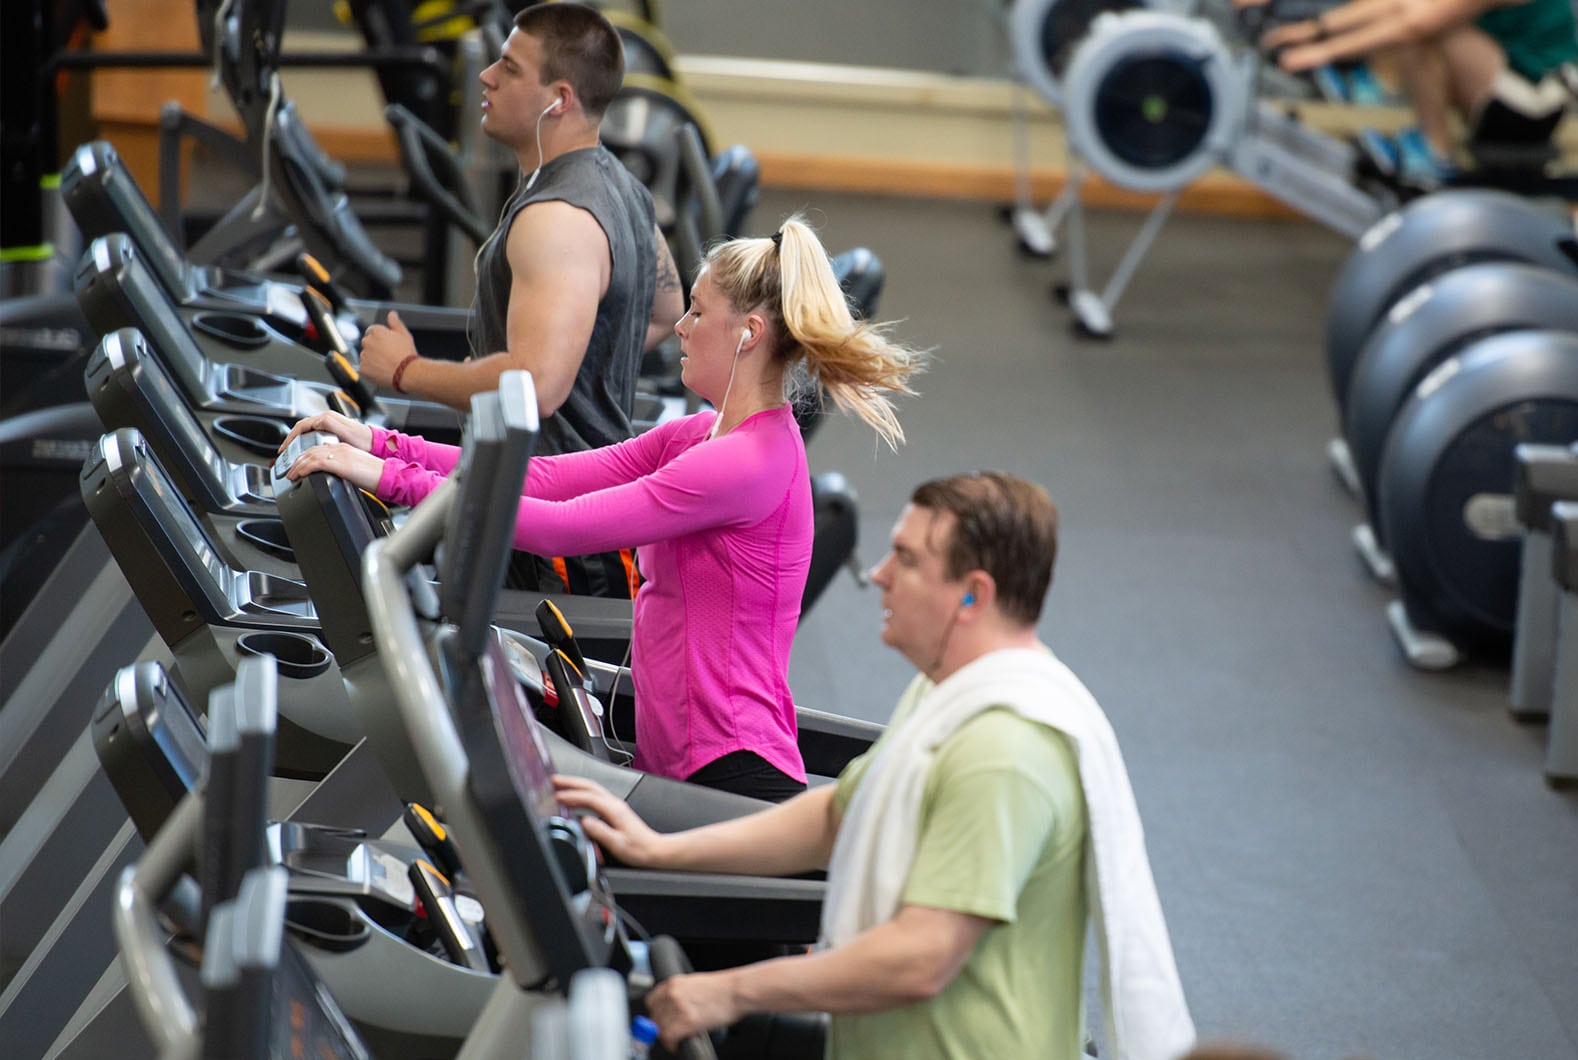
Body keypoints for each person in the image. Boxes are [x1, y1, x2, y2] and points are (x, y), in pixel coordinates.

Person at [552, 472, 1196, 1060]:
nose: (879, 574)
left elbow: (920, 958)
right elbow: (838, 817)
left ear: (973, 596)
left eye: (909, 560)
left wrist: (729, 992)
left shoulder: (1005, 750)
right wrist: (660, 847)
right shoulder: (950, 687)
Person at [280, 216, 921, 802]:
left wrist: (390, 480)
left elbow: (562, 527)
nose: (681, 327)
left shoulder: (743, 464)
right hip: (677, 755)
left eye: (698, 313)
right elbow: (548, 479)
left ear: (748, 333)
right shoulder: (701, 436)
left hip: (729, 771)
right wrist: (382, 444)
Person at [356, 2, 686, 598]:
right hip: (576, 510)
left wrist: (406, 372)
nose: (486, 77)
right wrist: (575, 341)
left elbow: (534, 386)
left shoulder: (556, 218)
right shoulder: (623, 187)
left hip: (549, 532)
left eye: (508, 68)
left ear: (557, 98)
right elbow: (667, 310)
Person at [1242, 0, 1578, 183]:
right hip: (1507, 87)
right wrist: (1312, 30)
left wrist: (1324, 52)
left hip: (1532, 106)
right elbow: (1396, 4)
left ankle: (1434, 153)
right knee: (1417, 21)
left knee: (1426, 33)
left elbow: (1418, 21)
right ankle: (1370, 85)